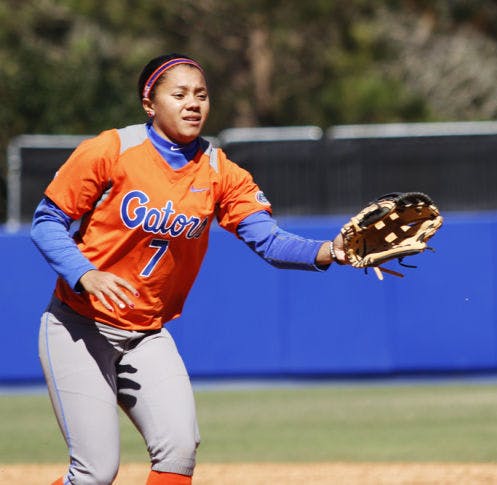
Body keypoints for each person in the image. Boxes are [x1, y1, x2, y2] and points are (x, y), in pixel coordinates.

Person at [30, 53, 347, 485]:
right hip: (79, 327)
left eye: (201, 95)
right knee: (95, 473)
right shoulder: (111, 150)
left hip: (145, 334)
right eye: (178, 94)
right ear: (149, 102)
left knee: (178, 452)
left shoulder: (220, 172)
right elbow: (46, 222)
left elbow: (269, 241)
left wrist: (332, 249)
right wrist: (84, 272)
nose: (192, 103)